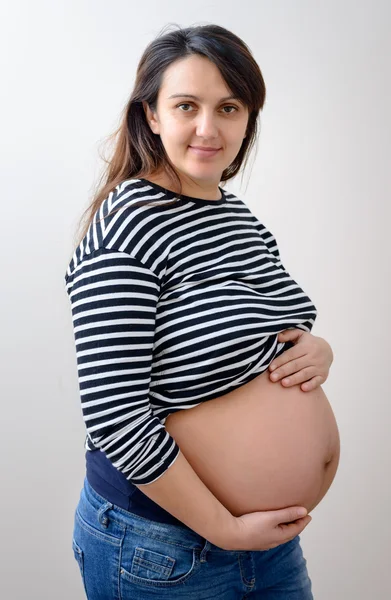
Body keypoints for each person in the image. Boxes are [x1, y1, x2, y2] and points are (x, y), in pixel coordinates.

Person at [65, 23, 321, 599]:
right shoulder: (129, 226)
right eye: (187, 106)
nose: (210, 128)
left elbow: (276, 321)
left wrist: (315, 348)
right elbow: (114, 416)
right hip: (164, 549)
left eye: (229, 107)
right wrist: (225, 529)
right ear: (151, 115)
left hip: (266, 542)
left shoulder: (234, 216)